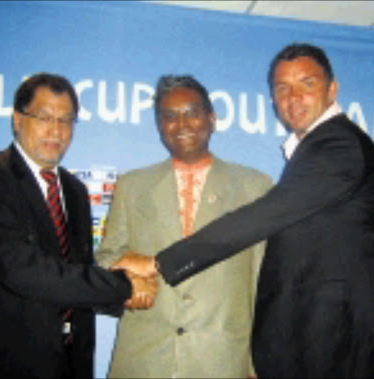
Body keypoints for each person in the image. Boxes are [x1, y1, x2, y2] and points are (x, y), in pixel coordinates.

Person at [111, 44, 374, 378]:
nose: (293, 97)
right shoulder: (315, 150)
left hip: (350, 345)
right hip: (333, 341)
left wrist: (158, 262)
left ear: (332, 89)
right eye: (282, 88)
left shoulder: (338, 146)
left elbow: (258, 219)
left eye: (307, 83)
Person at [0, 73, 156, 379]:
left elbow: (70, 277)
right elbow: (21, 269)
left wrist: (129, 294)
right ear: (17, 120)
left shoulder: (75, 191)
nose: (56, 130)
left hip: (64, 363)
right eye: (44, 117)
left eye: (66, 120)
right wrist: (123, 285)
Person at [96, 75, 273, 378]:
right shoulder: (133, 185)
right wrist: (126, 278)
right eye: (170, 116)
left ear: (212, 119)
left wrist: (257, 363)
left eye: (192, 113)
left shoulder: (254, 187)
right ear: (160, 127)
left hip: (222, 360)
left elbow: (265, 280)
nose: (182, 124)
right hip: (144, 360)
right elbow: (104, 260)